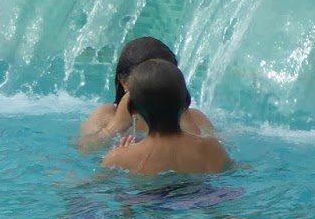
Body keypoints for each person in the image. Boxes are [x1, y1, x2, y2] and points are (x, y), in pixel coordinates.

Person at [77, 36, 215, 152]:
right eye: (146, 78)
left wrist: (185, 116)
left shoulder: (194, 117)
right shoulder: (106, 115)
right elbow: (84, 149)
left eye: (166, 76)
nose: (157, 85)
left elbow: (211, 153)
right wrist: (117, 125)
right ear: (124, 82)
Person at [101, 59, 232, 176]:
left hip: (146, 195)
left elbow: (99, 186)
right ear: (186, 102)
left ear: (133, 110)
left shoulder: (118, 158)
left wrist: (122, 156)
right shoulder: (211, 148)